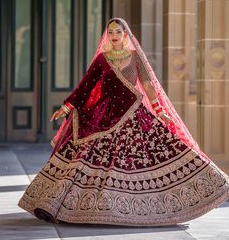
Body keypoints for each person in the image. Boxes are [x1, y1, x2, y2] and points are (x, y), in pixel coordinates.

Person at [18, 17, 229, 226]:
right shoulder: (102, 59)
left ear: (125, 35)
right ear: (107, 36)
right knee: (91, 159)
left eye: (118, 32)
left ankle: (204, 189)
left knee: (159, 150)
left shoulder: (136, 57)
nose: (114, 35)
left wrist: (159, 110)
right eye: (110, 32)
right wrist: (66, 107)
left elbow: (148, 86)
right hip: (104, 116)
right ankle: (81, 206)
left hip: (134, 113)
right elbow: (86, 88)